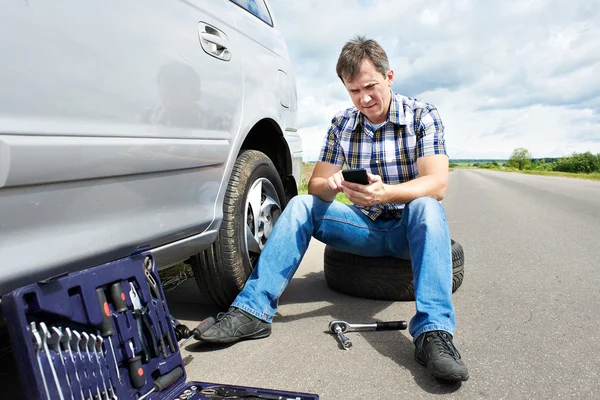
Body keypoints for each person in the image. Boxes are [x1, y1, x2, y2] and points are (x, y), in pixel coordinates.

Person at [200, 36, 469, 382]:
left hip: (406, 228)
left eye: (370, 86)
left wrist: (385, 194)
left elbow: (437, 184)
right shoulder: (342, 123)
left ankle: (433, 334)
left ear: (389, 77)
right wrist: (333, 184)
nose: (365, 98)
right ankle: (253, 311)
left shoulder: (423, 115)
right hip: (364, 229)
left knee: (427, 209)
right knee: (300, 205)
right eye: (354, 91)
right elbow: (315, 185)